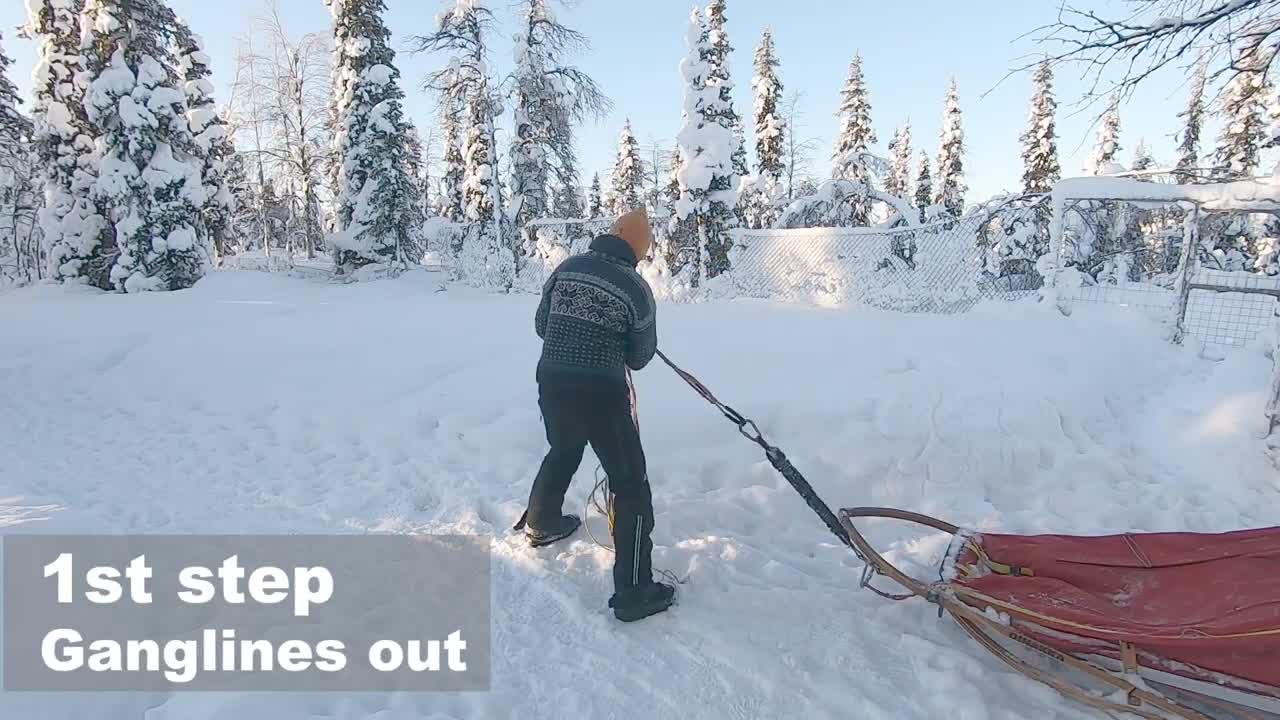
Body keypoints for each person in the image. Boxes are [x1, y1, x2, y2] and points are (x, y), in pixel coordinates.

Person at [515, 206, 676, 622]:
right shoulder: (635, 289)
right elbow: (640, 357)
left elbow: (541, 325)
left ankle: (542, 521)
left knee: (564, 447)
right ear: (638, 251)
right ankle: (636, 591)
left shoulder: (567, 268)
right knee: (629, 484)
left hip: (552, 381)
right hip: (602, 392)